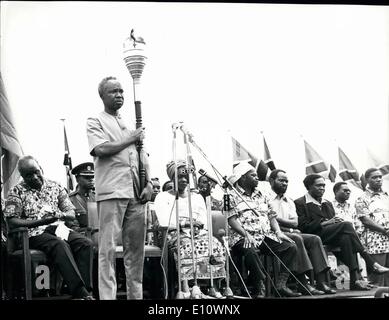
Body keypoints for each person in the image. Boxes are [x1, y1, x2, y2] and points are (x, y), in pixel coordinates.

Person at [86, 76, 153, 300]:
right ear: (102, 96)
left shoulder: (130, 124)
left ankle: (136, 297)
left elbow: (142, 157)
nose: (120, 95)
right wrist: (131, 137)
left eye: (122, 91)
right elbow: (101, 149)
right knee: (107, 251)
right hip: (112, 193)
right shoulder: (95, 120)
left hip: (136, 194)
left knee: (136, 253)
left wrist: (150, 183)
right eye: (114, 91)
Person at [3, 156, 94, 300]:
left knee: (85, 243)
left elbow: (71, 213)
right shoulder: (16, 191)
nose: (34, 177)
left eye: (36, 172)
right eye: (28, 175)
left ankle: (86, 292)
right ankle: (80, 291)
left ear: (41, 169)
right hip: (33, 233)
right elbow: (12, 221)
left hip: (57, 227)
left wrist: (60, 215)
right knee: (59, 245)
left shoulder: (55, 186)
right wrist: (38, 222)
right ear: (22, 176)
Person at [294, 174, 389, 290]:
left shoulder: (327, 203)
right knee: (347, 225)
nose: (322, 188)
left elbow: (334, 223)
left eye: (323, 186)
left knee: (347, 238)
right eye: (318, 186)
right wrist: (325, 223)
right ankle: (369, 262)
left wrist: (332, 223)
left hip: (330, 234)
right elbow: (303, 227)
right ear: (309, 186)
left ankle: (355, 281)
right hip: (314, 236)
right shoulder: (300, 202)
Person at [227, 162, 301, 298]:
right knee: (250, 251)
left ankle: (281, 284)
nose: (257, 178)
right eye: (253, 175)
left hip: (265, 235)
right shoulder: (230, 195)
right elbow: (231, 220)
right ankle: (259, 284)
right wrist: (246, 235)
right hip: (241, 237)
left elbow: (271, 216)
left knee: (291, 246)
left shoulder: (263, 195)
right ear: (243, 178)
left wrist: (278, 232)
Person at [153, 160, 226, 298]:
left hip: (198, 231)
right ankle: (186, 288)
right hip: (174, 232)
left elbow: (203, 218)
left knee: (214, 244)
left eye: (186, 177)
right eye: (179, 176)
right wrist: (185, 224)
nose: (183, 179)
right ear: (171, 177)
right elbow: (164, 221)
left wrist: (198, 228)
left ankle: (213, 286)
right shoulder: (162, 197)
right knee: (186, 244)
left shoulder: (197, 197)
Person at [268, 169, 335, 295]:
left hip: (290, 230)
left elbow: (295, 223)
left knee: (314, 239)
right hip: (274, 233)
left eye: (286, 181)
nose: (284, 183)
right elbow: (269, 220)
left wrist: (279, 219)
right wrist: (283, 223)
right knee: (296, 238)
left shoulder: (289, 201)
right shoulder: (267, 199)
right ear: (271, 181)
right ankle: (303, 284)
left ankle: (321, 282)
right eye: (281, 180)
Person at [355, 168, 389, 287]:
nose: (378, 179)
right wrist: (385, 230)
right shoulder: (362, 198)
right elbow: (365, 220)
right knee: (378, 279)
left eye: (380, 177)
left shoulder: (387, 196)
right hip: (375, 241)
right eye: (374, 177)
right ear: (367, 180)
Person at [68, 162, 96, 235]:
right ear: (77, 179)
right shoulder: (70, 200)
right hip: (82, 240)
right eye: (87, 177)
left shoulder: (98, 197)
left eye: (92, 177)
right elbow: (72, 226)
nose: (91, 180)